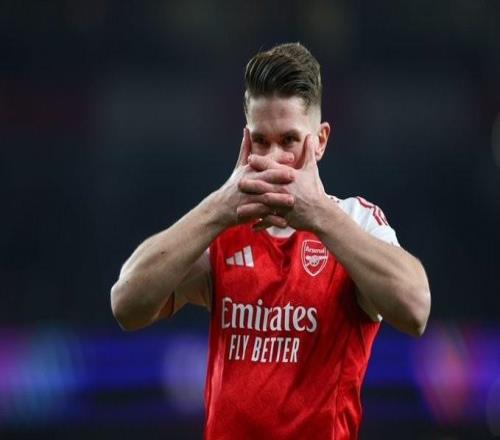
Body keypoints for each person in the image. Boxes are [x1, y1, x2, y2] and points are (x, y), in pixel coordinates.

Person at [110, 42, 431, 439]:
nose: (274, 158)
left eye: (289, 140)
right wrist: (218, 208)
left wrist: (318, 216)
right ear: (245, 141)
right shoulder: (222, 229)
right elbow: (126, 304)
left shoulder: (355, 222)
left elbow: (416, 309)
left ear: (320, 140)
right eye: (261, 141)